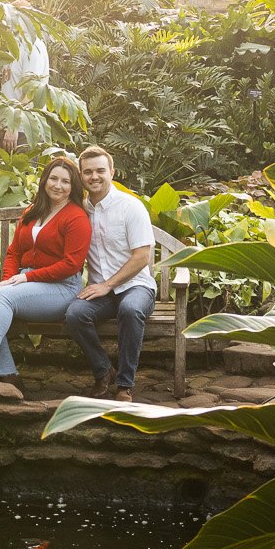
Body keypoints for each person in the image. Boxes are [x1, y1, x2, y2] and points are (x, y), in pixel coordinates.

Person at [0, 157, 89, 382]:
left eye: (65, 181)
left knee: (3, 298)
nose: (58, 185)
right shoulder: (33, 211)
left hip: (62, 287)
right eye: (53, 178)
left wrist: (25, 278)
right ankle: (6, 373)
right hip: (25, 282)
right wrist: (8, 279)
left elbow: (71, 264)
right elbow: (14, 252)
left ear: (73, 186)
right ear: (45, 181)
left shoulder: (76, 217)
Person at [64, 144, 157, 401]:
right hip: (101, 291)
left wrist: (108, 284)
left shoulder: (131, 207)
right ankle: (104, 371)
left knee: (130, 309)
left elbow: (142, 257)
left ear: (112, 172)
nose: (94, 177)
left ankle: (125, 385)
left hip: (136, 286)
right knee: (74, 315)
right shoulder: (80, 211)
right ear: (81, 177)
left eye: (100, 171)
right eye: (88, 172)